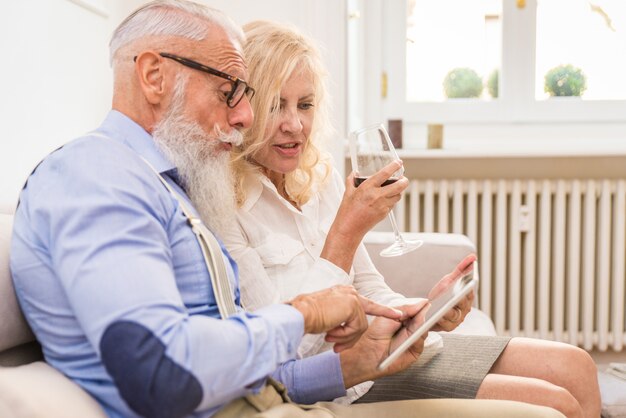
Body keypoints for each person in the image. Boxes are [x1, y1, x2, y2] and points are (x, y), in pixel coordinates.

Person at [8, 1, 567, 418]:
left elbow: (242, 362)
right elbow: (163, 369)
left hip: (281, 394)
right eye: (232, 90)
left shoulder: (171, 187)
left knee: (558, 390)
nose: (246, 117)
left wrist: (349, 363)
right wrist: (307, 313)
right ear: (154, 75)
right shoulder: (96, 175)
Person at [223, 20, 601, 418]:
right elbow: (282, 351)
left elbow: (370, 286)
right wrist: (346, 234)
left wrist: (421, 314)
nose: (295, 125)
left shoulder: (321, 177)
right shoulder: (227, 209)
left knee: (577, 365)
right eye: (274, 105)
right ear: (243, 109)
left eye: (305, 105)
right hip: (346, 381)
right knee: (557, 404)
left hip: (386, 353)